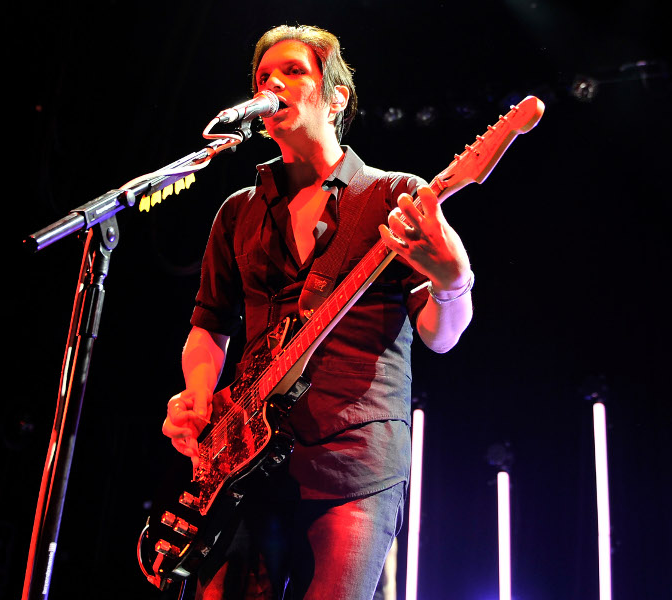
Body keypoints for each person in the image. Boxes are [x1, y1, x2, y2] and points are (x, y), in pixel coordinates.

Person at [162, 24, 473, 599]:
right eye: (262, 77)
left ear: (336, 98)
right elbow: (208, 326)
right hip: (242, 466)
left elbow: (439, 334)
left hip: (352, 467)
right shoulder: (237, 213)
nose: (272, 83)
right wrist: (198, 394)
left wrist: (454, 282)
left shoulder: (390, 198)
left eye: (293, 71)